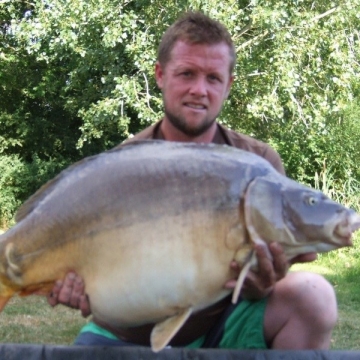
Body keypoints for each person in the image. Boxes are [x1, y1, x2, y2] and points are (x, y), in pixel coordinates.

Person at [48, 11, 337, 350]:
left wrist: (261, 282)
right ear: (160, 75)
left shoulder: (258, 164)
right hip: (128, 332)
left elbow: (269, 278)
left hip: (220, 325)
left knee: (314, 295)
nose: (199, 90)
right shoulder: (124, 166)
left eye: (213, 78)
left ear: (228, 85)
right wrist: (74, 285)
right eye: (187, 74)